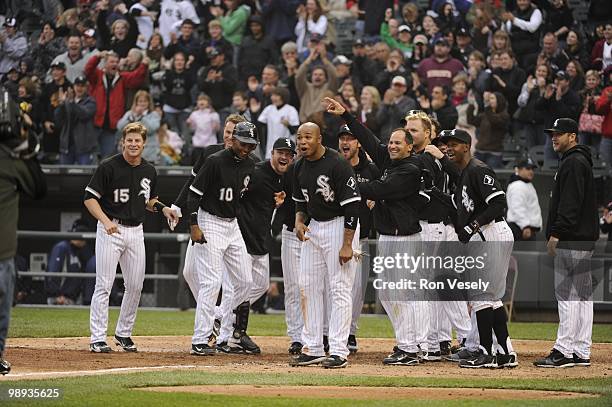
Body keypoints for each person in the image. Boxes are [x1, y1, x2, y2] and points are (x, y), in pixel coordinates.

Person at [325, 98, 426, 365]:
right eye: (390, 142)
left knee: (399, 292)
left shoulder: (410, 169)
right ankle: (408, 344)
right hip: (390, 236)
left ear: (410, 147)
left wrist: (345, 188)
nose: (391, 146)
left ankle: (411, 348)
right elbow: (367, 138)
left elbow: (379, 189)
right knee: (388, 293)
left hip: (405, 238)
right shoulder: (389, 160)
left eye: (397, 143)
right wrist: (346, 115)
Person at [84, 122, 178, 353]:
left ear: (144, 144)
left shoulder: (149, 170)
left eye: (137, 140)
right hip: (111, 228)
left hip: (136, 230)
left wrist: (164, 209)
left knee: (135, 286)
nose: (133, 144)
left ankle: (123, 333)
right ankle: (97, 337)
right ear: (122, 142)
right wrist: (105, 222)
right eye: (130, 140)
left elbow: (148, 200)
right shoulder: (108, 166)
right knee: (104, 285)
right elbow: (89, 197)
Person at [436, 129, 518, 369]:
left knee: (481, 295)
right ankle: (504, 352)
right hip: (486, 233)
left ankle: (486, 352)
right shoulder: (464, 173)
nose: (448, 148)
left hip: (490, 232)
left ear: (466, 146)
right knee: (491, 297)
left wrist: (471, 226)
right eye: (445, 144)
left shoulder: (478, 169)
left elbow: (498, 203)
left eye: (453, 144)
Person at [290, 121, 361, 369]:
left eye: (308, 137)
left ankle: (340, 350)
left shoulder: (337, 164)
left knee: (339, 287)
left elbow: (353, 206)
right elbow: (300, 202)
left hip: (340, 225)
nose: (302, 142)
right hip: (315, 227)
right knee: (307, 286)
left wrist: (347, 244)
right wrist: (299, 221)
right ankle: (314, 347)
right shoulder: (299, 166)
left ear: (319, 139)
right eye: (300, 137)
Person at [186, 121, 260, 355]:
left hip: (232, 224)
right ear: (233, 139)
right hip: (210, 221)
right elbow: (193, 194)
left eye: (251, 145)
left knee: (246, 281)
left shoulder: (251, 164)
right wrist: (194, 225)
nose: (246, 148)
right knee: (211, 282)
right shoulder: (215, 161)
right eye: (243, 143)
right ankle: (200, 339)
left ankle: (222, 328)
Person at [215, 138, 295, 352]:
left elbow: (282, 208)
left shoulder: (287, 178)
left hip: (262, 239)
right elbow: (236, 196)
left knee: (259, 285)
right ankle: (229, 337)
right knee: (239, 286)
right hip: (242, 236)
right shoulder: (256, 171)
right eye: (280, 152)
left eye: (288, 153)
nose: (284, 157)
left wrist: (274, 223)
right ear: (272, 152)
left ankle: (220, 315)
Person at [534, 118, 598, 368]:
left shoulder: (573, 162)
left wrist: (557, 233)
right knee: (582, 296)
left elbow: (570, 203)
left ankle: (564, 350)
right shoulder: (579, 161)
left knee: (567, 295)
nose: (554, 138)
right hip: (583, 240)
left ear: (572, 136)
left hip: (571, 239)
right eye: (552, 134)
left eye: (559, 134)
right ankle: (581, 350)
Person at [0, 97, 47, 374]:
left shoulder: (9, 160)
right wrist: (27, 139)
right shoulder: (11, 161)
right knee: (1, 311)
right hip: (3, 253)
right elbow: (40, 189)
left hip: (4, 253)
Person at [336, 124, 380, 354]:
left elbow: (387, 191)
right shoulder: (334, 166)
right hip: (336, 236)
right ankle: (332, 333)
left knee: (357, 291)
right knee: (334, 288)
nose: (345, 142)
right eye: (342, 138)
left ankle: (350, 332)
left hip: (361, 239)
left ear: (358, 143)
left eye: (350, 138)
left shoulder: (371, 170)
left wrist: (378, 202)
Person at [85, 50, 148, 158]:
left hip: (112, 126)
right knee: (91, 156)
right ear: (105, 64)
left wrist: (144, 65)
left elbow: (136, 78)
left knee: (108, 157)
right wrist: (97, 57)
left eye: (116, 62)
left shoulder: (122, 78)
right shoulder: (98, 76)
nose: (114, 64)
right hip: (95, 123)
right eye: (111, 62)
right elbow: (88, 70)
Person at [45, 221, 94, 305]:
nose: (85, 243)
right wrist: (57, 295)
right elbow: (53, 272)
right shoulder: (62, 247)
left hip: (69, 297)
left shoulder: (76, 251)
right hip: (59, 298)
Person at [53, 75, 97, 165]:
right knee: (64, 176)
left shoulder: (91, 102)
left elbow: (84, 114)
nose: (79, 88)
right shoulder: (67, 101)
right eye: (77, 85)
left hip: (84, 147)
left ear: (86, 88)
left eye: (82, 86)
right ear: (73, 87)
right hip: (67, 145)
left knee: (85, 176)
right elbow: (58, 120)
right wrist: (61, 105)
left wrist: (71, 103)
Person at [295, 43, 338, 122]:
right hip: (305, 124)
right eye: (315, 74)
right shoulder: (305, 88)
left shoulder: (329, 88)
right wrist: (310, 58)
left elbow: (334, 76)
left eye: (321, 75)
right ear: (311, 77)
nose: (317, 77)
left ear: (325, 78)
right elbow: (298, 76)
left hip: (322, 125)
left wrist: (324, 59)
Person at [257, 87, 299, 159]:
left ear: (283, 97)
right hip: (271, 147)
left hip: (287, 147)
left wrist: (288, 125)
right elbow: (259, 124)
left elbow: (295, 131)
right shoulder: (269, 108)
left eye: (276, 95)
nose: (273, 98)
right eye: (272, 95)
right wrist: (255, 112)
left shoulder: (291, 110)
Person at [506, 157, 542, 241]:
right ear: (518, 169)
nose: (531, 171)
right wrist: (525, 226)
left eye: (532, 169)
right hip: (521, 230)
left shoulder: (526, 184)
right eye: (528, 168)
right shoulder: (517, 186)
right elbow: (517, 208)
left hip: (526, 229)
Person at [187, 93, 221, 165]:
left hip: (210, 144)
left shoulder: (214, 114)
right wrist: (189, 123)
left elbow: (217, 130)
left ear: (208, 103)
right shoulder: (194, 114)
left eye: (204, 100)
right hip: (198, 145)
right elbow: (191, 129)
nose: (201, 102)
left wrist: (215, 126)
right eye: (199, 100)